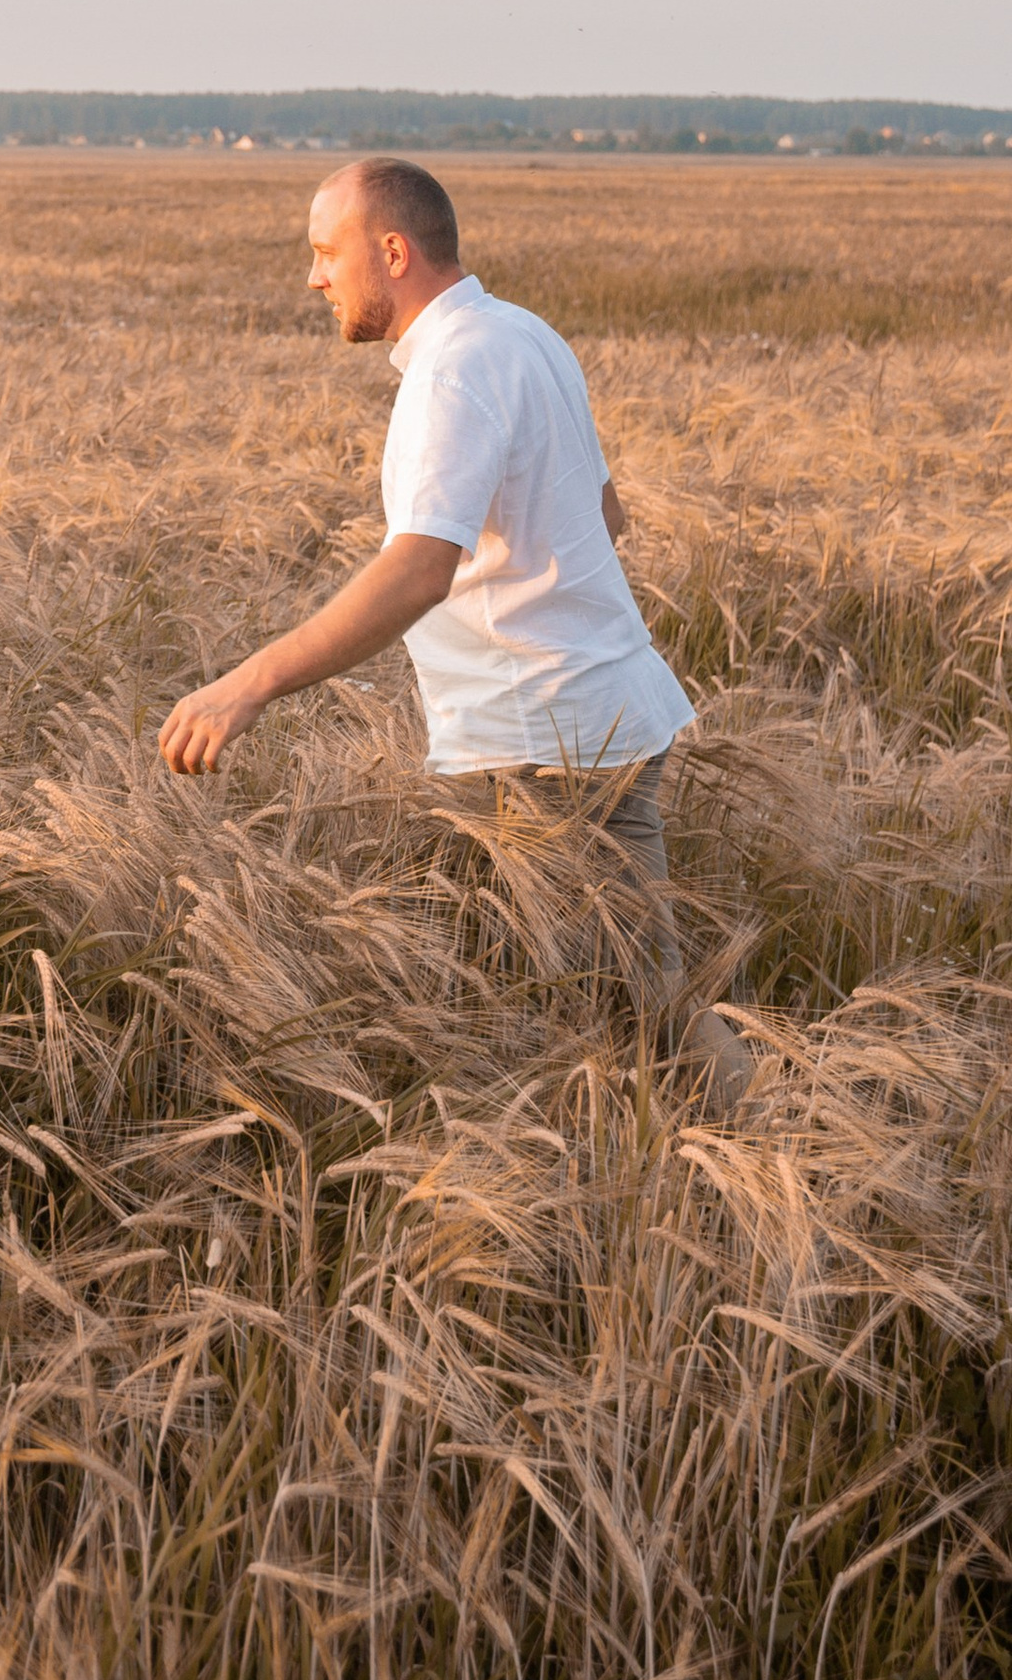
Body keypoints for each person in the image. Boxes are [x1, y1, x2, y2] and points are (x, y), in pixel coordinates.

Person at [157, 158, 747, 1103]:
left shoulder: (452, 370)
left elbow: (419, 568)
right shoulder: (522, 334)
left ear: (391, 252)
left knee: (626, 1016)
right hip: (586, 721)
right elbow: (607, 514)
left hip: (546, 745)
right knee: (599, 1003)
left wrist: (250, 682)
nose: (314, 277)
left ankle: (783, 1176)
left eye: (324, 252)